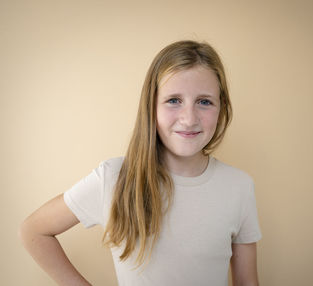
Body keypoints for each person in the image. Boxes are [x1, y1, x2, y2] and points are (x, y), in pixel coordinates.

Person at [19, 40, 262, 286]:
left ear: (222, 109)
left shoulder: (239, 187)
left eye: (204, 101)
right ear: (151, 106)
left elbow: (247, 281)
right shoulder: (113, 178)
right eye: (174, 100)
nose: (189, 119)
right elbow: (33, 231)